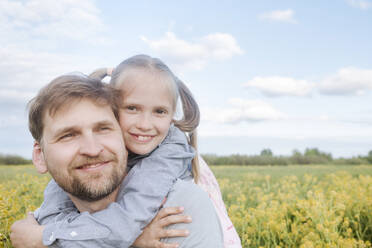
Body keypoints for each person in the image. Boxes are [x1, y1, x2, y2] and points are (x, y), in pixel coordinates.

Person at [10, 73, 224, 247]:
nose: (92, 149)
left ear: (123, 137)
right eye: (68, 135)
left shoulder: (178, 209)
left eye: (103, 129)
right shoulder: (37, 225)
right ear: (40, 157)